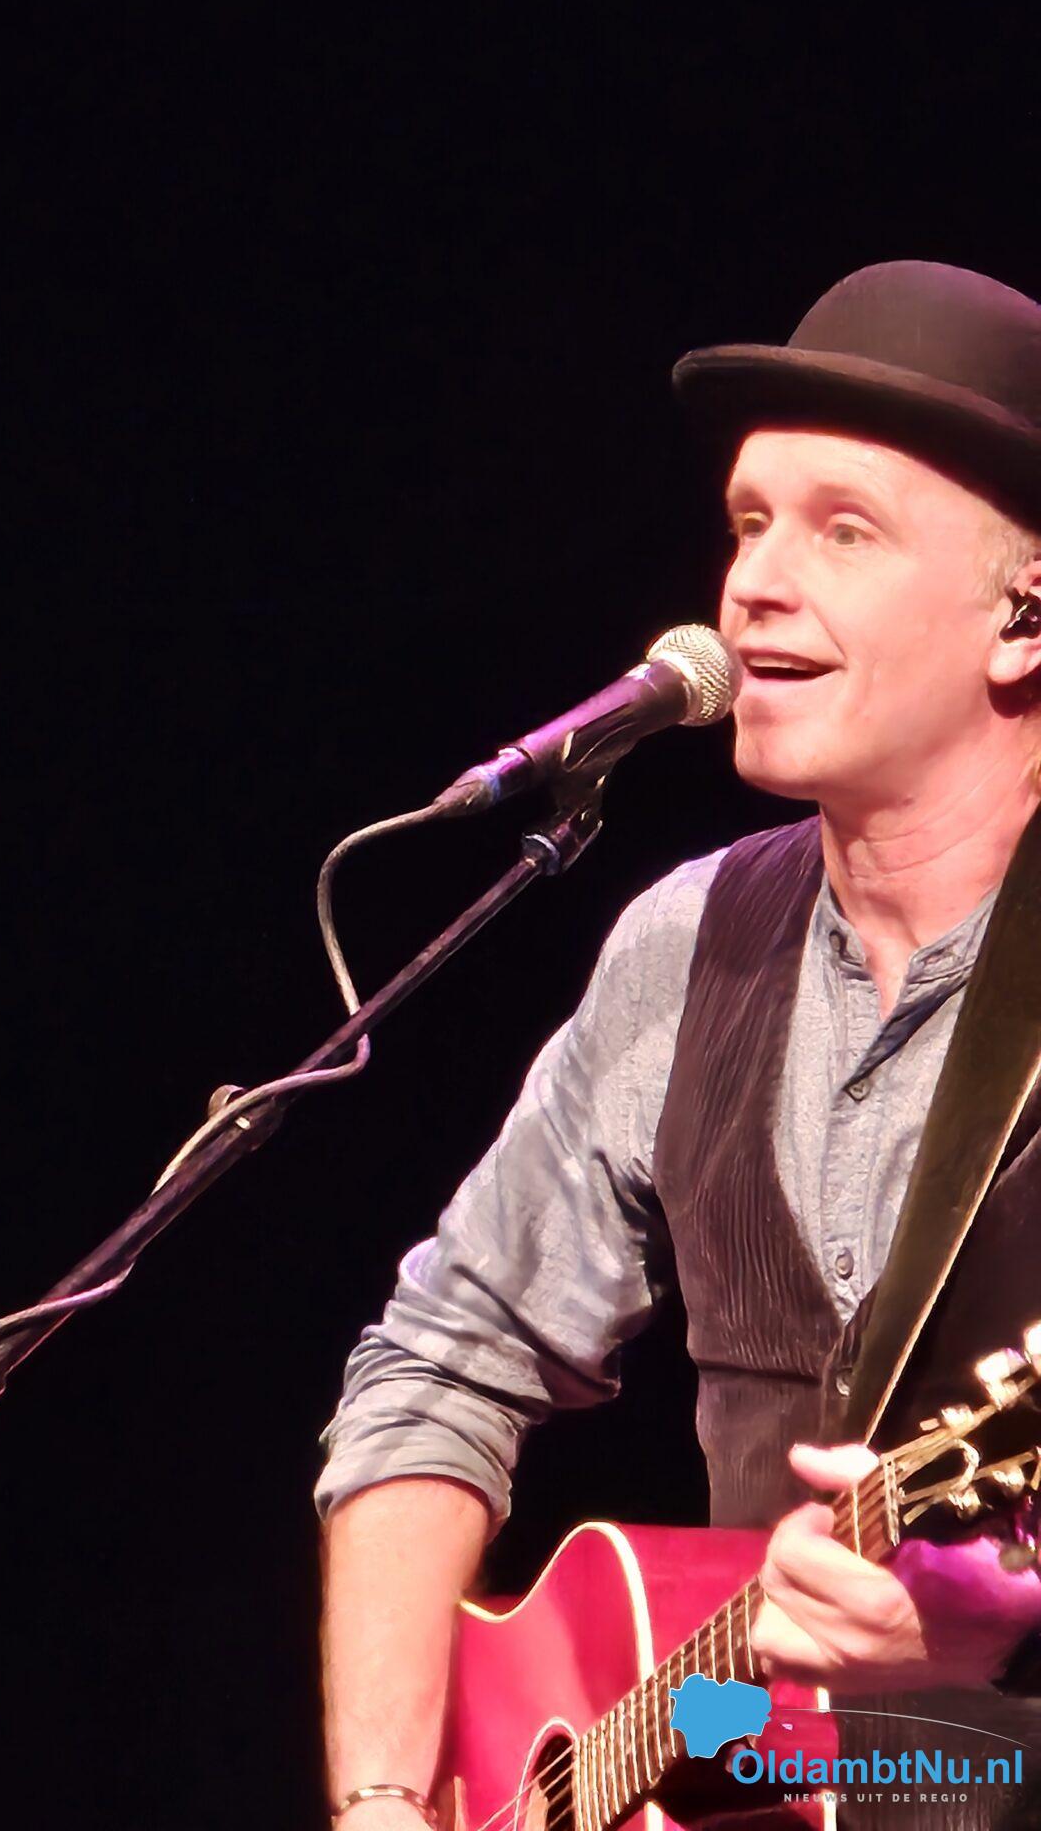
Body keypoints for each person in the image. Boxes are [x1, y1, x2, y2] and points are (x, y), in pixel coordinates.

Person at [314, 261, 1041, 1831]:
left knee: (947, 1763)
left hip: (992, 1761)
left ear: (1024, 619)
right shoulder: (685, 941)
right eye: (748, 522)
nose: (751, 587)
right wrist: (383, 1795)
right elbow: (440, 1357)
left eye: (843, 529)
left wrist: (1010, 1618)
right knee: (738, 1725)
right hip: (770, 1742)